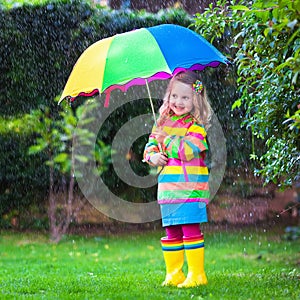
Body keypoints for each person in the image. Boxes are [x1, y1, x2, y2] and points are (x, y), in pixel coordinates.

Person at [143, 71, 211, 288]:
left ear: (196, 100)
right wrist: (153, 156)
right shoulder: (162, 123)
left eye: (185, 97)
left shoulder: (196, 125)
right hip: (168, 189)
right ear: (168, 96)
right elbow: (150, 147)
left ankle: (197, 274)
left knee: (190, 228)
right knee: (171, 230)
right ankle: (174, 273)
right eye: (174, 96)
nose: (178, 102)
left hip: (190, 189)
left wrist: (167, 140)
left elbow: (188, 150)